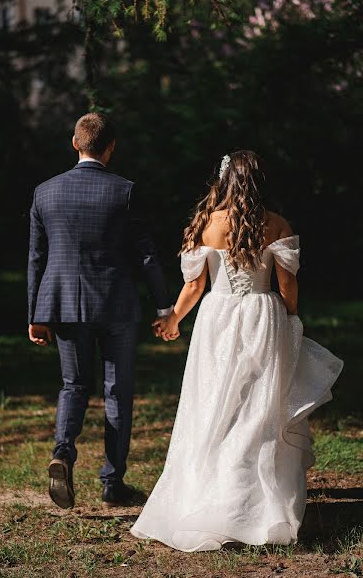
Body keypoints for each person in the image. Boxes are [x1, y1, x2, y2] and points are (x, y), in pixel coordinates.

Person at [131, 150, 344, 551]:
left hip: (218, 319)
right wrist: (291, 317)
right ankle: (254, 506)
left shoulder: (207, 224)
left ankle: (213, 499)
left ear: (224, 181)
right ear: (260, 182)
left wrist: (174, 320)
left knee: (215, 405)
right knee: (259, 409)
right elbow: (287, 286)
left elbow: (194, 286)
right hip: (263, 317)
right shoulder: (277, 224)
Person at [27, 112, 173, 509]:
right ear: (111, 148)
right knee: (117, 392)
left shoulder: (45, 192)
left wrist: (35, 314)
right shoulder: (125, 191)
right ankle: (112, 483)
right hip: (116, 305)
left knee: (74, 385)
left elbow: (37, 258)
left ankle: (62, 452)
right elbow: (146, 256)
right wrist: (164, 306)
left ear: (75, 143)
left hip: (63, 304)